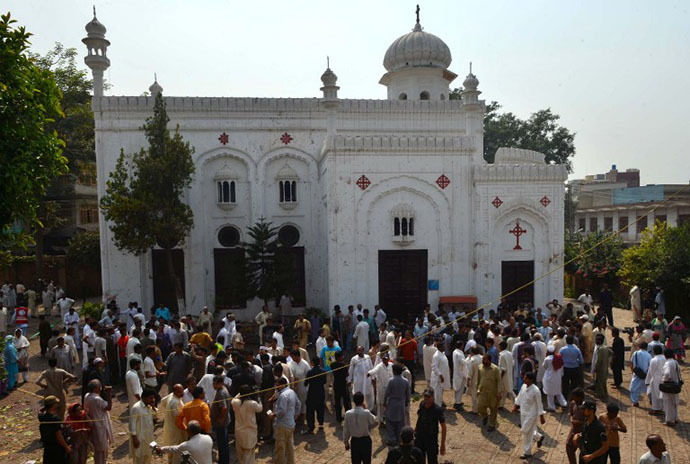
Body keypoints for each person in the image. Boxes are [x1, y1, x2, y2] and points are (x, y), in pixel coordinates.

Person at [513, 372, 545, 459]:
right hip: (523, 412)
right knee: (529, 430)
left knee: (526, 432)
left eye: (526, 378)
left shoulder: (536, 391)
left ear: (531, 380)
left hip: (531, 414)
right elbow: (519, 397)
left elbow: (539, 404)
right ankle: (539, 437)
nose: (524, 379)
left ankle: (527, 452)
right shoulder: (523, 387)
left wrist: (541, 416)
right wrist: (515, 406)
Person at [271, 377, 301, 464]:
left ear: (282, 385)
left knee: (280, 448)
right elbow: (298, 404)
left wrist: (274, 414)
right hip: (291, 423)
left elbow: (282, 411)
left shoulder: (283, 395)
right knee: (290, 446)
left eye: (278, 385)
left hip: (283, 425)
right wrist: (295, 416)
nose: (277, 387)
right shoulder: (292, 392)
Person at [343, 391, 378, 464]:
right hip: (365, 441)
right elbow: (376, 421)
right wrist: (369, 427)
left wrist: (346, 443)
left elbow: (346, 430)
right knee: (367, 461)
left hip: (355, 441)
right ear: (362, 401)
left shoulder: (348, 414)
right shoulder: (366, 413)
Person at [84, 379, 113, 464]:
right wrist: (108, 394)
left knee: (98, 448)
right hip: (100, 425)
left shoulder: (87, 396)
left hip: (94, 424)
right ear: (96, 388)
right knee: (102, 449)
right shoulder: (97, 399)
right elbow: (109, 407)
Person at [414, 388, 446, 464]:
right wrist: (415, 431)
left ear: (433, 397)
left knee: (432, 460)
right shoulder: (422, 404)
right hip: (420, 438)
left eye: (429, 397)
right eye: (425, 397)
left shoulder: (437, 410)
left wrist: (442, 445)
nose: (427, 399)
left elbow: (444, 427)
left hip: (431, 440)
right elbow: (419, 418)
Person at [232, 385, 263, 464]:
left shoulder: (235, 402)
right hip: (250, 432)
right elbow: (260, 409)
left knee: (241, 455)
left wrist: (241, 393)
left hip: (239, 432)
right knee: (249, 455)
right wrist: (258, 397)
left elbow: (234, 399)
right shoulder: (252, 403)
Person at [384, 363, 410, 446]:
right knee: (400, 422)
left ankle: (392, 439)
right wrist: (406, 403)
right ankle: (399, 438)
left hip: (392, 403)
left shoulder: (391, 381)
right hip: (401, 403)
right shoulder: (405, 381)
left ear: (394, 371)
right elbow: (408, 394)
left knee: (389, 422)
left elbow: (387, 393)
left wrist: (384, 402)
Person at [159, 384, 187, 464]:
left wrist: (168, 411)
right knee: (176, 448)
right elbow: (178, 419)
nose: (182, 393)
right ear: (175, 392)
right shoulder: (175, 402)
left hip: (170, 425)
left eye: (182, 390)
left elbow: (162, 401)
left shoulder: (172, 395)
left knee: (171, 446)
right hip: (176, 429)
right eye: (179, 392)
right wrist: (185, 428)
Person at [39, 396, 71, 464]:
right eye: (56, 403)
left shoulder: (42, 417)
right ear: (53, 405)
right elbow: (59, 436)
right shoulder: (55, 419)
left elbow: (41, 411)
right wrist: (66, 447)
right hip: (57, 449)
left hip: (47, 448)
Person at [129, 389, 156, 464]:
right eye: (150, 398)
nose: (152, 400)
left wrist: (153, 407)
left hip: (149, 437)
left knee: (148, 456)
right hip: (140, 438)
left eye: (153, 398)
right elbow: (132, 423)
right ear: (144, 398)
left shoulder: (149, 406)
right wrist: (134, 438)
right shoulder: (136, 408)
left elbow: (155, 418)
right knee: (139, 458)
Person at [477, 352, 502, 431]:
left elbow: (499, 381)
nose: (483, 361)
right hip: (482, 391)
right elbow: (478, 379)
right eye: (482, 359)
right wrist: (477, 388)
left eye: (485, 359)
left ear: (489, 360)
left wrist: (499, 392)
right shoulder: (480, 367)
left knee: (493, 409)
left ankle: (492, 424)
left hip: (493, 392)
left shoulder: (495, 369)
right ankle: (485, 416)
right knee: (480, 406)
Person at [210, 375, 231, 464]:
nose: (214, 386)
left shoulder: (221, 393)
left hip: (221, 423)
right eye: (213, 384)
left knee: (222, 443)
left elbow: (224, 408)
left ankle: (224, 461)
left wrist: (220, 419)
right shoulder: (221, 390)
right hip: (224, 421)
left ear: (221, 383)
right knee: (223, 442)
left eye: (215, 384)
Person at [304, 356, 327, 433]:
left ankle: (311, 427)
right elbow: (324, 382)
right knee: (320, 409)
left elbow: (305, 383)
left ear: (312, 363)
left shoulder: (310, 372)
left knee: (310, 411)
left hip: (312, 393)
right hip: (320, 393)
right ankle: (321, 423)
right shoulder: (323, 371)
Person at [348, 346, 374, 411]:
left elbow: (371, 368)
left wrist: (373, 377)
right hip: (358, 381)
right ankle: (358, 409)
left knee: (369, 395)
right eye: (358, 351)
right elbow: (350, 370)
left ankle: (369, 410)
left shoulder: (367, 357)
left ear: (363, 350)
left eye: (360, 350)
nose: (359, 352)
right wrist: (349, 380)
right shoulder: (354, 359)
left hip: (367, 380)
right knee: (358, 396)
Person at [542, 345, 567, 411]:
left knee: (550, 393)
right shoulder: (559, 358)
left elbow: (544, 366)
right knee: (558, 391)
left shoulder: (547, 359)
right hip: (558, 377)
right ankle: (564, 404)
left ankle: (551, 407)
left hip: (549, 377)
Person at [661, 348, 681, 426]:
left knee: (668, 404)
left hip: (669, 386)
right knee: (674, 403)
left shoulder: (668, 363)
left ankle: (669, 420)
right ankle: (675, 418)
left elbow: (666, 373)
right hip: (676, 385)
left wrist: (663, 380)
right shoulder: (675, 362)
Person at [560, 335, 584, 400]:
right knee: (574, 383)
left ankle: (564, 397)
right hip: (574, 368)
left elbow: (560, 359)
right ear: (573, 341)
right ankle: (573, 397)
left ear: (566, 341)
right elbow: (581, 361)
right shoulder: (577, 349)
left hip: (565, 368)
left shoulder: (562, 349)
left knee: (565, 383)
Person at [566, 388, 585, 464]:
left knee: (584, 451)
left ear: (580, 397)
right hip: (574, 430)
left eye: (575, 397)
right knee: (569, 447)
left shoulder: (586, 407)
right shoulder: (573, 403)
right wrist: (572, 420)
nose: (573, 399)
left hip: (583, 432)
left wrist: (580, 422)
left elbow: (589, 420)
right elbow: (571, 413)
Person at [331, 350, 351, 422]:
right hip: (343, 385)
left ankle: (338, 417)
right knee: (346, 401)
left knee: (337, 402)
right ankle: (348, 415)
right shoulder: (343, 365)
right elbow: (347, 374)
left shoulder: (332, 365)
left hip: (336, 384)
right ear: (340, 357)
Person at [430, 337, 451, 407]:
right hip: (438, 378)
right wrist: (440, 375)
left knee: (440, 393)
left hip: (442, 377)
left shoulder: (442, 353)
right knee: (437, 394)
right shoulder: (436, 355)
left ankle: (439, 405)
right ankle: (437, 407)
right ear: (440, 347)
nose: (445, 347)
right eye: (443, 346)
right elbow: (434, 367)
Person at [630, 341, 651, 406]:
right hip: (645, 374)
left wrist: (632, 371)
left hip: (637, 373)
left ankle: (635, 401)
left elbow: (632, 363)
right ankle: (651, 400)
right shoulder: (648, 355)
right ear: (646, 347)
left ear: (639, 346)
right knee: (648, 389)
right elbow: (650, 365)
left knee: (634, 388)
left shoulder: (635, 353)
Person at [645, 345, 665, 415]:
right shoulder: (664, 358)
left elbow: (651, 371)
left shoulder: (654, 360)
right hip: (664, 378)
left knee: (654, 394)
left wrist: (647, 381)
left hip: (656, 379)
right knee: (661, 393)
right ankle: (661, 408)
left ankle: (656, 409)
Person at [592, 334, 611, 399]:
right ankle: (605, 393)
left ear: (599, 341)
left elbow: (599, 361)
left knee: (599, 382)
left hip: (600, 369)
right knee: (603, 382)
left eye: (597, 340)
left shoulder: (600, 349)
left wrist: (595, 368)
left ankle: (601, 395)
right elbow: (611, 353)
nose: (595, 341)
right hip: (605, 367)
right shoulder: (605, 347)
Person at [451, 340, 467, 410]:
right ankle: (458, 402)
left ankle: (457, 401)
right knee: (460, 389)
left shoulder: (455, 351)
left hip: (458, 372)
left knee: (458, 388)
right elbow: (462, 362)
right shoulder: (459, 353)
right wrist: (469, 358)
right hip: (460, 373)